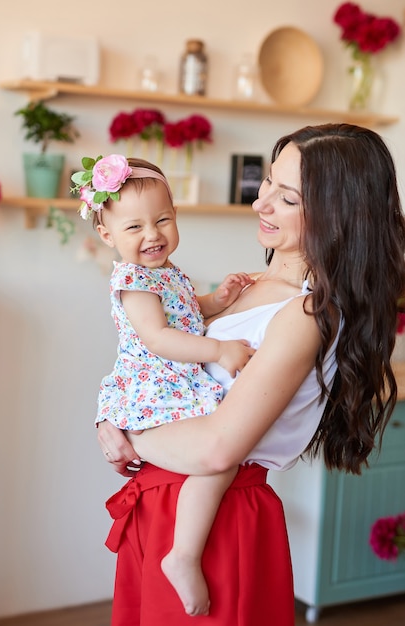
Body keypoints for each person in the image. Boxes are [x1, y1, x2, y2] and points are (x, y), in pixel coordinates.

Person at [97, 123, 405, 626]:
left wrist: (131, 430)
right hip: (161, 505)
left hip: (214, 524)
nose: (260, 203)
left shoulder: (308, 313)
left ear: (338, 216)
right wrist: (110, 418)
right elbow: (160, 365)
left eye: (285, 197)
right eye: (267, 183)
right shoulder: (254, 283)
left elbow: (219, 448)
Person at [71, 154, 255, 616]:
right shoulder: (133, 281)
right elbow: (159, 337)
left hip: (178, 385)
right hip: (157, 390)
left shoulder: (168, 274)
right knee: (218, 460)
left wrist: (220, 299)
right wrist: (219, 351)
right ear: (107, 235)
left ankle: (184, 554)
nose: (152, 235)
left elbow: (189, 312)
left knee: (220, 458)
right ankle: (183, 555)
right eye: (134, 228)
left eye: (163, 220)